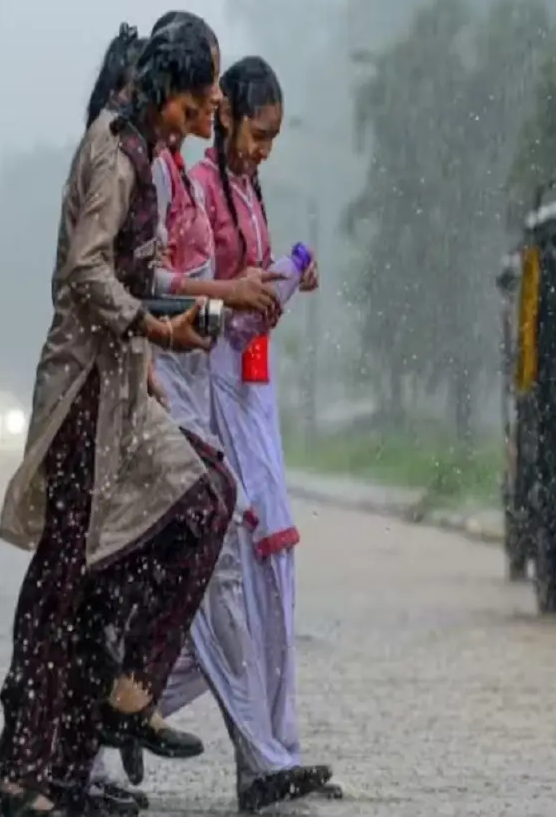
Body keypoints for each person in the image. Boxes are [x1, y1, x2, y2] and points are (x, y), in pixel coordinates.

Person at [0, 20, 236, 817]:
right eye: (196, 102)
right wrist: (155, 329)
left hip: (126, 389)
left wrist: (167, 329)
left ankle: (122, 700)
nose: (201, 117)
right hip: (82, 395)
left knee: (203, 500)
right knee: (63, 583)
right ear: (165, 90)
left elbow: (130, 273)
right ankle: (24, 779)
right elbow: (86, 273)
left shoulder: (147, 154)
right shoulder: (114, 152)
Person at [189, 55, 341, 805]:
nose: (263, 150)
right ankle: (256, 753)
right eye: (257, 133)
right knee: (228, 578)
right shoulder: (195, 188)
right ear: (223, 117)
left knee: (274, 570)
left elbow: (248, 283)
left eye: (274, 138)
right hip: (211, 386)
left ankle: (279, 745)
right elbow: (183, 294)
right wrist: (240, 293)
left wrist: (287, 275)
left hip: (255, 389)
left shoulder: (249, 189)